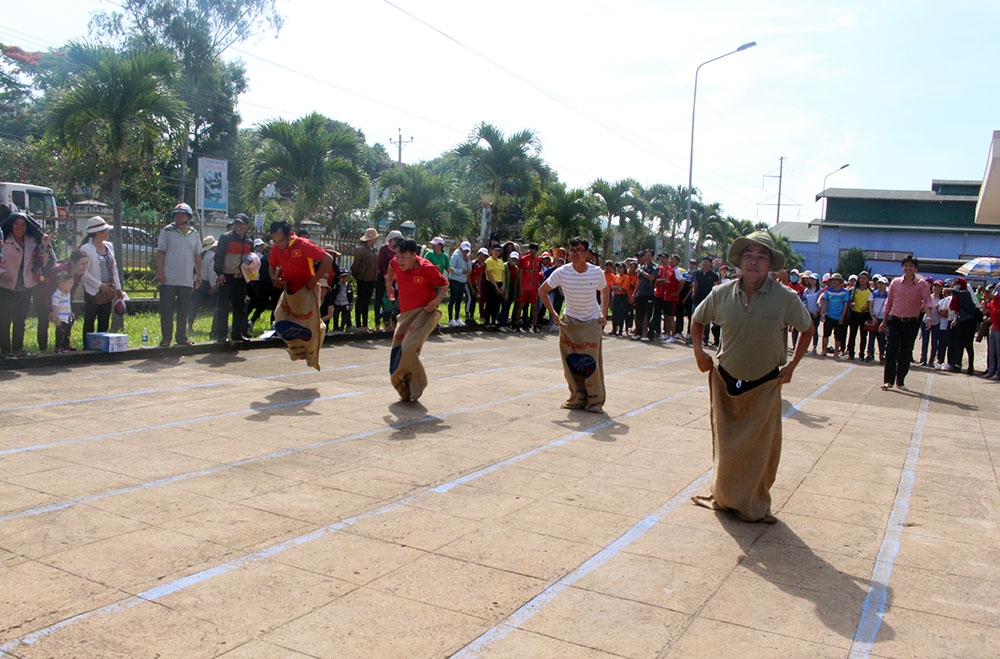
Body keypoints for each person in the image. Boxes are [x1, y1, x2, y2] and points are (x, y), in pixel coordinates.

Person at [690, 231, 814, 523]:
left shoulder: (785, 298)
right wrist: (698, 352)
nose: (754, 262)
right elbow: (697, 321)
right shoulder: (720, 293)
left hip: (765, 384)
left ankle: (753, 504)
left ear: (770, 264)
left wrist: (792, 365)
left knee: (759, 452)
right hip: (725, 382)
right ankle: (724, 496)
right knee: (727, 446)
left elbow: (806, 329)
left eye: (761, 257)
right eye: (749, 256)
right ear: (739, 261)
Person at [538, 236, 610, 413]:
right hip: (570, 321)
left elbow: (605, 291)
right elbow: (543, 291)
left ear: (587, 254)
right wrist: (553, 314)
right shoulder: (562, 272)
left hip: (591, 321)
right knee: (571, 362)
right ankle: (577, 397)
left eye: (579, 250)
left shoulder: (596, 272)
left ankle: (595, 401)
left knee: (591, 362)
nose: (575, 254)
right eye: (572, 250)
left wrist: (604, 314)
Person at [386, 239, 448, 402]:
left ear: (414, 255)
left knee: (409, 348)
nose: (400, 261)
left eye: (404, 257)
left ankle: (418, 384)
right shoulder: (396, 262)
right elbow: (391, 266)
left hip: (423, 314)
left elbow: (444, 284)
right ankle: (404, 387)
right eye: (398, 256)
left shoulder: (427, 268)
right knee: (397, 353)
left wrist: (435, 302)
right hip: (405, 316)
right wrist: (389, 284)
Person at [268, 220, 333, 370]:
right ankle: (297, 350)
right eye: (275, 241)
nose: (279, 244)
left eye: (281, 240)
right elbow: (271, 265)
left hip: (307, 290)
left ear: (289, 235)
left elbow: (327, 259)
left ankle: (318, 330)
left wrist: (314, 280)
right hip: (289, 291)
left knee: (310, 328)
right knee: (280, 321)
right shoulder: (276, 248)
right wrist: (273, 277)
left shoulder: (303, 244)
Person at [0, 212, 54, 356]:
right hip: (5, 286)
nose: (20, 227)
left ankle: (17, 349)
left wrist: (44, 245)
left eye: (23, 224)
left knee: (20, 320)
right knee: (4, 321)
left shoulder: (32, 242)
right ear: (11, 225)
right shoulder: (3, 240)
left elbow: (42, 262)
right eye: (17, 224)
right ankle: (5, 351)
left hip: (25, 287)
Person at [880, 255, 932, 390]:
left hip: (911, 322)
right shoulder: (895, 283)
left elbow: (927, 301)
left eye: (911, 266)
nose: (908, 268)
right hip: (895, 320)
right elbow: (889, 302)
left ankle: (900, 381)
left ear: (915, 268)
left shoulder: (922, 285)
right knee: (891, 349)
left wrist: (929, 317)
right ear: (902, 267)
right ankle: (888, 381)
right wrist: (884, 321)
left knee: (906, 351)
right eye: (905, 265)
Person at [156, 202, 202, 347]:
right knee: (167, 311)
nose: (178, 217)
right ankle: (166, 338)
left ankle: (181, 337)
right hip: (168, 278)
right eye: (176, 214)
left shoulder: (194, 233)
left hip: (186, 279)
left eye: (181, 214)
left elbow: (197, 255)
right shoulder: (167, 231)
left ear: (188, 217)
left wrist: (199, 275)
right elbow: (160, 253)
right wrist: (160, 272)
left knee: (184, 310)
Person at [31, 248, 87, 353]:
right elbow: (49, 290)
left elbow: (71, 291)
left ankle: (65, 345)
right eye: (82, 263)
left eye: (86, 263)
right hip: (42, 295)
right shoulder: (61, 271)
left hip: (59, 299)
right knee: (44, 321)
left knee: (68, 320)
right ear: (74, 263)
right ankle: (43, 349)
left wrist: (68, 308)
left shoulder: (78, 272)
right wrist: (51, 310)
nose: (85, 266)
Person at [78, 217, 124, 345]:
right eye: (105, 230)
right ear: (98, 232)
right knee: (90, 320)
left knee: (104, 319)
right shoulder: (86, 249)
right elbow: (84, 272)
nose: (107, 233)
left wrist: (118, 288)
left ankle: (101, 347)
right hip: (92, 291)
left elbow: (113, 268)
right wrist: (99, 285)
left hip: (107, 290)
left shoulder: (109, 246)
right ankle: (88, 347)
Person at [212, 214, 252, 344]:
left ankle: (237, 333)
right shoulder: (226, 238)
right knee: (223, 307)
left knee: (239, 307)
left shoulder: (248, 241)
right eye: (236, 224)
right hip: (227, 276)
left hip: (241, 278)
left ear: (247, 226)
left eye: (241, 224)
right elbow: (218, 256)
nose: (238, 227)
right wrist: (219, 273)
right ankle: (221, 335)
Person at [947, 277, 980, 375]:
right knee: (959, 344)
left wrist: (950, 289)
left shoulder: (965, 293)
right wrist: (957, 319)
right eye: (956, 283)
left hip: (969, 323)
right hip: (961, 322)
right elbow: (959, 310)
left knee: (968, 345)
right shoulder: (957, 297)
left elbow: (958, 293)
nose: (957, 285)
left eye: (958, 283)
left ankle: (970, 366)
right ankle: (958, 364)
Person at [188, 235, 218, 336]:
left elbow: (194, 270)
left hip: (198, 282)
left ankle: (189, 326)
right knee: (218, 305)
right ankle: (219, 326)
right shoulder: (212, 256)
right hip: (207, 283)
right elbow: (212, 272)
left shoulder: (200, 256)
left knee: (195, 305)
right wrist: (213, 285)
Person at [351, 228, 379, 331]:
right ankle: (359, 324)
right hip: (362, 279)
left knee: (366, 302)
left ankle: (365, 323)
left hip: (372, 279)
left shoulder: (374, 250)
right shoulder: (361, 250)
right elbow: (355, 265)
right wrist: (357, 275)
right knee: (360, 302)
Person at [375, 230, 402, 331]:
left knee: (389, 300)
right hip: (382, 278)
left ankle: (387, 321)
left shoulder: (398, 250)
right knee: (378, 299)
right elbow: (381, 263)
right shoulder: (384, 249)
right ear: (391, 240)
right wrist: (386, 275)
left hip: (393, 279)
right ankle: (377, 323)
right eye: (395, 240)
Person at [691, 256, 720, 345]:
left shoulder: (714, 275)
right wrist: (693, 292)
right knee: (695, 318)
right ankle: (694, 338)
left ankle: (705, 339)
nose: (705, 264)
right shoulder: (698, 273)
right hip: (697, 298)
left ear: (710, 264)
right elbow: (695, 283)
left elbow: (717, 287)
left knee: (705, 320)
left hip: (708, 299)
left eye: (707, 262)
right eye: (704, 262)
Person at [819, 273, 850, 357]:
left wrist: (842, 316)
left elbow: (845, 305)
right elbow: (825, 302)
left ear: (840, 281)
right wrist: (822, 313)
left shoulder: (845, 292)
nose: (834, 282)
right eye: (833, 280)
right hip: (829, 316)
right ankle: (824, 350)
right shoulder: (828, 291)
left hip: (839, 316)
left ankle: (836, 352)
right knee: (826, 334)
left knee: (838, 336)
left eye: (836, 280)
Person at [845, 271, 872, 360]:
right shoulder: (853, 290)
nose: (862, 280)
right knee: (852, 335)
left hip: (864, 315)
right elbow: (847, 300)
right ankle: (851, 353)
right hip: (854, 315)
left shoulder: (870, 291)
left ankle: (861, 354)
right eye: (860, 278)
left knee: (863, 336)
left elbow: (873, 303)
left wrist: (867, 307)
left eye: (864, 278)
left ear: (868, 280)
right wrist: (851, 303)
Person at [632, 250, 657, 341]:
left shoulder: (654, 267)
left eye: (649, 256)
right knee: (639, 313)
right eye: (645, 256)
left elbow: (651, 277)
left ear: (652, 257)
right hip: (641, 293)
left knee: (647, 314)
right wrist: (635, 293)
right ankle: (638, 332)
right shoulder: (642, 267)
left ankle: (644, 334)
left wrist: (642, 271)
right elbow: (639, 281)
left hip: (649, 293)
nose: (647, 257)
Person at [447, 240, 471, 326]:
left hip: (462, 281)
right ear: (460, 248)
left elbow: (470, 269)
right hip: (454, 280)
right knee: (453, 299)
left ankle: (457, 318)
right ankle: (450, 319)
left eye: (467, 250)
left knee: (459, 300)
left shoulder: (467, 257)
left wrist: (467, 261)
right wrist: (461, 271)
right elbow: (451, 268)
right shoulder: (455, 255)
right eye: (465, 250)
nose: (466, 252)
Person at [49, 272, 75, 353]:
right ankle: (58, 346)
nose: (71, 285)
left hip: (67, 317)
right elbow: (55, 307)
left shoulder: (68, 294)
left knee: (68, 332)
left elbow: (68, 304)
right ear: (62, 284)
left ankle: (66, 345)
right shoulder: (56, 295)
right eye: (69, 283)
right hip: (61, 318)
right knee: (60, 333)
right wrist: (57, 318)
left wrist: (70, 312)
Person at [867, 276, 889, 362]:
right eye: (879, 283)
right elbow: (870, 306)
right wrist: (872, 316)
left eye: (882, 284)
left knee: (882, 338)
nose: (880, 285)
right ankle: (870, 354)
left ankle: (882, 354)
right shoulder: (873, 294)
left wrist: (886, 319)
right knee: (872, 337)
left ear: (886, 285)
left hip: (883, 319)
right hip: (875, 318)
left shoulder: (889, 295)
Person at [483, 244, 505, 329]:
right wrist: (495, 286)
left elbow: (503, 273)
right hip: (491, 284)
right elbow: (489, 274)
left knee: (496, 305)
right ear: (492, 251)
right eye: (496, 250)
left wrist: (503, 285)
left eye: (499, 251)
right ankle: (487, 322)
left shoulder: (500, 261)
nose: (497, 252)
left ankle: (493, 322)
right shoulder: (489, 261)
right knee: (489, 304)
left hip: (500, 283)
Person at [610, 262, 632, 336]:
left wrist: (617, 288)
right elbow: (611, 286)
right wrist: (618, 288)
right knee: (614, 312)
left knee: (621, 313)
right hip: (616, 296)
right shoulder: (616, 276)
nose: (619, 269)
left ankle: (620, 330)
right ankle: (614, 329)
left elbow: (624, 289)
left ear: (624, 269)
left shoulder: (626, 277)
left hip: (623, 297)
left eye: (621, 268)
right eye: (618, 268)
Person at [467, 247, 488, 325]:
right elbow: (468, 277)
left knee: (474, 300)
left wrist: (478, 288)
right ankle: (467, 317)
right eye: (481, 255)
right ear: (478, 255)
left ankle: (472, 317)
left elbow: (479, 277)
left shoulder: (483, 265)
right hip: (468, 283)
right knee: (469, 298)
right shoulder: (473, 264)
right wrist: (472, 289)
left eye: (484, 256)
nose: (482, 258)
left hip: (474, 283)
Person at [501, 251, 520, 331]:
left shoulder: (516, 268)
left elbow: (516, 281)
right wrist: (505, 291)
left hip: (512, 287)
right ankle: (501, 324)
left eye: (515, 259)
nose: (514, 260)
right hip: (506, 286)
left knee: (508, 306)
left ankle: (505, 324)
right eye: (512, 259)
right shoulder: (505, 266)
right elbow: (503, 279)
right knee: (504, 306)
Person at [984, 285, 1000, 380]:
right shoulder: (993, 302)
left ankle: (998, 372)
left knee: (998, 352)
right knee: (991, 351)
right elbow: (985, 311)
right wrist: (985, 301)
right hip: (993, 328)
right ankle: (991, 370)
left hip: (998, 329)